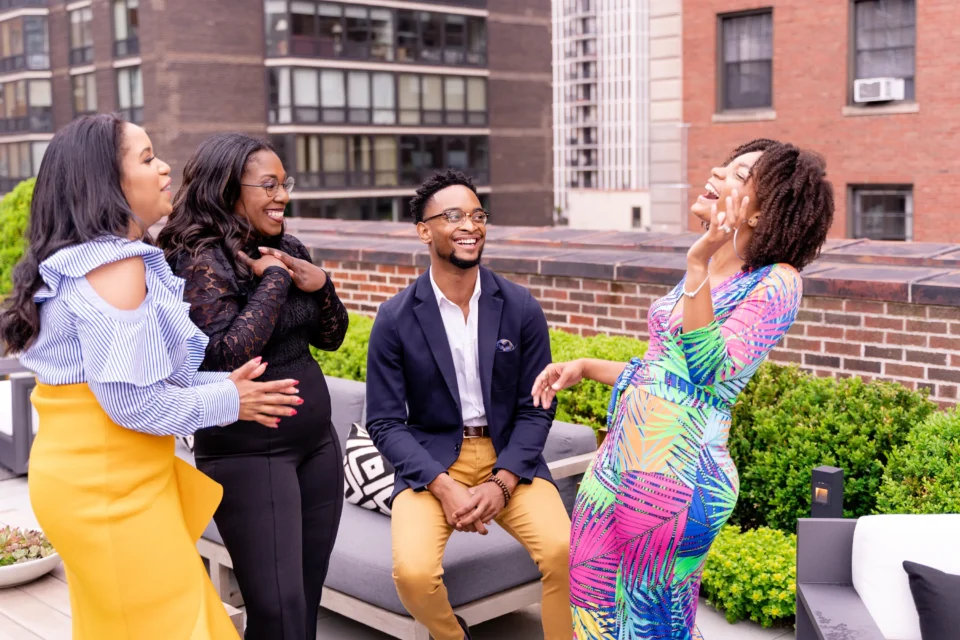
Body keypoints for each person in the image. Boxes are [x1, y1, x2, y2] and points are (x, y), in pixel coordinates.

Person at [0, 114, 301, 639]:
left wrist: (222, 387)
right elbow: (133, 406)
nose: (165, 169)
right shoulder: (116, 267)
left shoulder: (90, 260)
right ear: (108, 183)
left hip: (103, 476)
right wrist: (231, 402)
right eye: (146, 158)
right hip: (109, 488)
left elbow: (133, 384)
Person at [534, 139, 835, 639]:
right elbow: (663, 373)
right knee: (589, 609)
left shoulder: (776, 282)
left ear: (764, 213)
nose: (717, 171)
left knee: (652, 625)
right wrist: (586, 365)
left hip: (675, 483)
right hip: (618, 464)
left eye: (739, 174)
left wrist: (698, 264)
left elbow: (708, 368)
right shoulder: (710, 267)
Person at [365, 170, 572, 640]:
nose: (470, 226)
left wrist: (502, 483)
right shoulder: (395, 318)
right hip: (433, 462)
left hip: (509, 460)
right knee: (414, 575)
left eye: (478, 215)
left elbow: (537, 406)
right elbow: (383, 421)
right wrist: (442, 486)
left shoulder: (519, 306)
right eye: (453, 215)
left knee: (564, 552)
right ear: (424, 229)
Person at [158, 132, 349, 640]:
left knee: (306, 599)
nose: (281, 195)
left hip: (316, 445)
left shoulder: (286, 246)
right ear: (227, 188)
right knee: (276, 609)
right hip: (249, 453)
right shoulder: (196, 258)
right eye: (268, 185)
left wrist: (320, 283)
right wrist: (274, 281)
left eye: (284, 183)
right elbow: (226, 354)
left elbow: (332, 338)